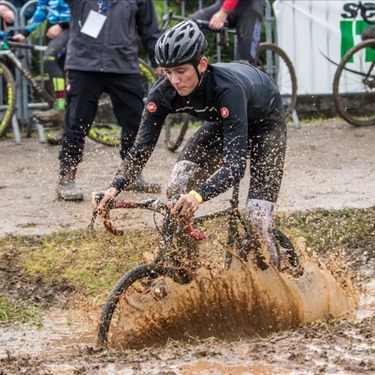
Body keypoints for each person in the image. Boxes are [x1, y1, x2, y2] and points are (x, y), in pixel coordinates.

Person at [90, 20, 287, 268]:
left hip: (265, 122)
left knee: (257, 219)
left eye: (181, 71)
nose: (175, 80)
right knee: (178, 185)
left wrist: (198, 196)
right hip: (222, 121)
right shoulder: (163, 93)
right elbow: (141, 148)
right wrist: (114, 188)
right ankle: (186, 268)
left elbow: (235, 168)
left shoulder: (228, 89)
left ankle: (278, 287)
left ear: (202, 64)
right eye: (168, 71)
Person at [55, 0, 163, 201]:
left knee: (136, 123)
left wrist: (159, 59)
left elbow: (149, 29)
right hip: (84, 64)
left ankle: (132, 175)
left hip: (123, 64)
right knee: (76, 122)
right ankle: (67, 177)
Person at [11, 0, 70, 131]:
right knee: (58, 74)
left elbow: (87, 10)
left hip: (73, 29)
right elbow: (42, 10)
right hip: (52, 31)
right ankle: (65, 129)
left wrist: (63, 25)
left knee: (50, 58)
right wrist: (24, 33)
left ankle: (59, 107)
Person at [189, 0, 264, 65]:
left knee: (246, 61)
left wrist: (224, 11)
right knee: (190, 26)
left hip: (250, 7)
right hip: (225, 3)